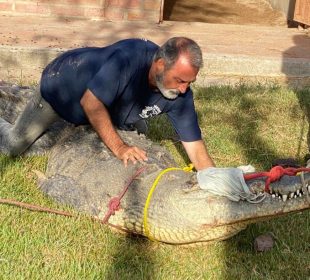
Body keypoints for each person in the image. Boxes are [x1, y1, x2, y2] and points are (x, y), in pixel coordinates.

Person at [0, 37, 215, 170]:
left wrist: (214, 181)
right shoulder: (126, 58)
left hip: (106, 103)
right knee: (14, 145)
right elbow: (91, 103)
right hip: (62, 88)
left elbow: (195, 147)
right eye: (179, 80)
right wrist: (120, 148)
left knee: (141, 128)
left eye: (190, 82)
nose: (184, 89)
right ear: (159, 65)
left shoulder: (181, 92)